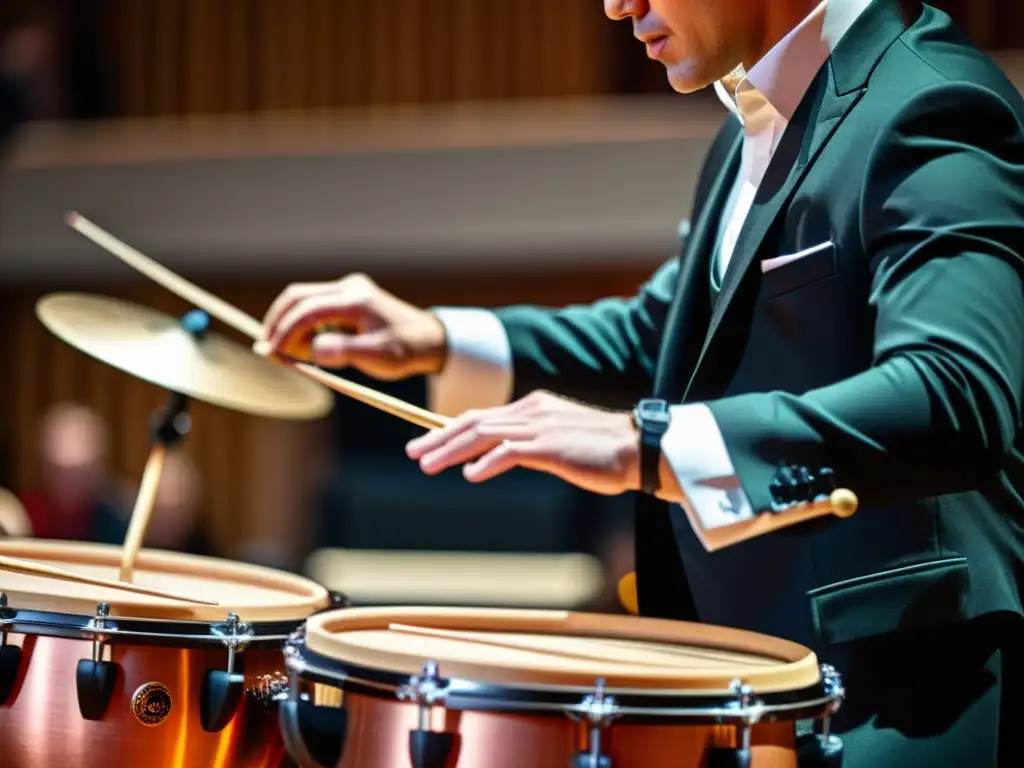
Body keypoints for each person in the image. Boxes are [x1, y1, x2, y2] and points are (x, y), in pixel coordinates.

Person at [258, 1, 1024, 765]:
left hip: (905, 699)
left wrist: (645, 445)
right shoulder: (748, 120)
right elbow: (668, 338)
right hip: (773, 684)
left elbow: (955, 393)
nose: (619, 5)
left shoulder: (933, 104)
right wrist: (439, 338)